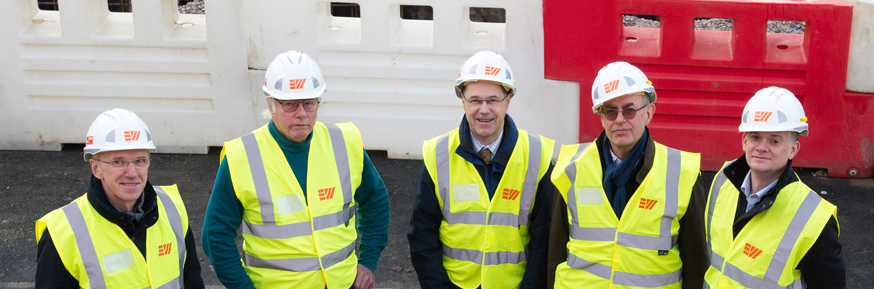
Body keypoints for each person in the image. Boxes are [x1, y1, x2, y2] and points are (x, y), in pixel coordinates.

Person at [201, 50, 390, 289]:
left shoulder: (345, 143)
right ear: (270, 104)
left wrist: (368, 261)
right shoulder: (242, 157)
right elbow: (215, 235)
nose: (301, 113)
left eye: (309, 103)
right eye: (290, 104)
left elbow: (375, 200)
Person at [547, 61, 708, 288]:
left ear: (648, 113)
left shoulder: (682, 172)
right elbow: (556, 251)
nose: (620, 119)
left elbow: (696, 261)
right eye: (610, 111)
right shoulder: (571, 167)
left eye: (629, 110)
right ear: (601, 117)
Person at [407, 50, 556, 289]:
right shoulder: (437, 154)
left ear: (509, 99)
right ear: (462, 100)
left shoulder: (537, 155)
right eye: (475, 100)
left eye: (493, 100)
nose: (483, 109)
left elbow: (544, 239)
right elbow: (422, 233)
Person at [35, 108, 204, 288]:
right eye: (118, 162)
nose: (131, 173)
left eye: (139, 160)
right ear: (96, 168)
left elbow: (192, 280)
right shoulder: (62, 232)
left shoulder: (172, 209)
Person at [703, 87, 844, 288]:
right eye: (755, 137)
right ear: (744, 141)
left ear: (792, 149)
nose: (761, 147)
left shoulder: (814, 218)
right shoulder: (723, 180)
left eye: (774, 140)